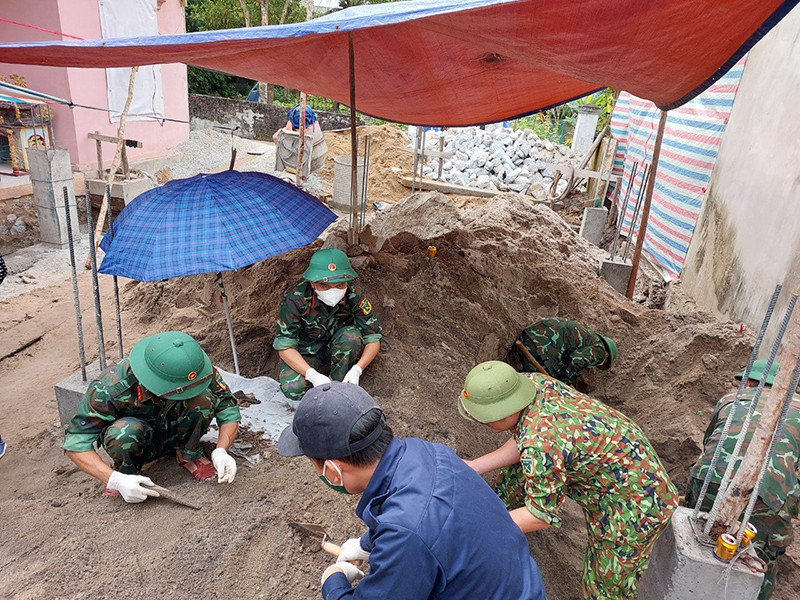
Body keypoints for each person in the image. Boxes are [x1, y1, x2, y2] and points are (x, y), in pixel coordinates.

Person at [278, 382, 547, 600]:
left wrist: (333, 581)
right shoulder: (428, 451)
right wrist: (365, 544)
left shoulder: (405, 534)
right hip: (520, 585)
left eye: (313, 465)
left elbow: (411, 532)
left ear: (333, 470)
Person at [459, 361, 678, 600]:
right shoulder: (532, 384)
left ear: (505, 412)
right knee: (519, 474)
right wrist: (474, 467)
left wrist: (482, 529)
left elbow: (541, 515)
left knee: (606, 586)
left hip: (637, 502)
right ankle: (500, 518)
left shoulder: (541, 443)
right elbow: (525, 439)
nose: (480, 422)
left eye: (482, 417)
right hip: (624, 461)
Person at [63, 331, 241, 503]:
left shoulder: (196, 369)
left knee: (203, 399)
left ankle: (188, 454)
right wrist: (114, 479)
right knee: (123, 432)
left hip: (178, 429)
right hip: (138, 439)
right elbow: (76, 443)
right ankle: (128, 473)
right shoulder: (110, 387)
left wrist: (221, 450)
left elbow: (228, 407)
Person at [686, 359, 799, 600]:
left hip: (710, 480)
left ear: (749, 381)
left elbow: (709, 446)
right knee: (757, 561)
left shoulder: (729, 400)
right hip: (770, 497)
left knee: (697, 539)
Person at [274, 248, 382, 401]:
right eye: (325, 286)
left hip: (339, 345)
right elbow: (285, 347)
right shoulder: (296, 299)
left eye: (340, 285)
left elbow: (372, 337)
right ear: (313, 283)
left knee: (351, 336)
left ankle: (339, 383)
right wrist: (312, 375)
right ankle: (320, 377)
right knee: (294, 390)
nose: (333, 290)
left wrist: (358, 369)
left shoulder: (353, 294)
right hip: (306, 350)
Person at [517, 317, 616, 385]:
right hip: (543, 348)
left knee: (531, 381)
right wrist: (565, 383)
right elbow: (576, 361)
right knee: (548, 386)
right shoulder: (600, 351)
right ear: (607, 355)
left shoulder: (588, 338)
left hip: (529, 336)